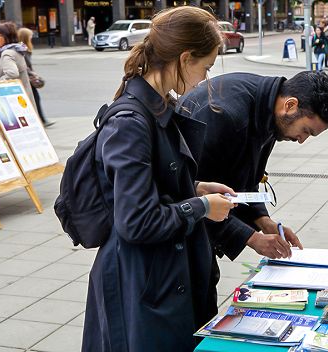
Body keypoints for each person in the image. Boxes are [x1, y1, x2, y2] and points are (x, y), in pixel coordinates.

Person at [81, 7, 236, 351]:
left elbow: (150, 183)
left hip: (159, 278)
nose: (204, 79)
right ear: (184, 58)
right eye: (206, 67)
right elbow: (136, 221)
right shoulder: (131, 121)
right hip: (140, 284)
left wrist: (195, 188)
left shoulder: (157, 107)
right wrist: (200, 207)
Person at [178, 71, 328, 324]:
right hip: (176, 243)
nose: (301, 141)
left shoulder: (270, 110)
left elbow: (248, 177)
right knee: (189, 318)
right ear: (290, 105)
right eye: (306, 131)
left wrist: (263, 220)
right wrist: (251, 237)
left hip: (196, 243)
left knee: (202, 306)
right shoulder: (225, 115)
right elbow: (194, 198)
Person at [0, 22, 36, 112]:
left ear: (7, 37)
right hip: (21, 100)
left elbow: (12, 73)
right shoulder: (16, 50)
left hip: (12, 103)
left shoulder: (7, 53)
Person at [17, 28, 55, 128]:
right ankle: (40, 120)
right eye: (30, 36)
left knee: (34, 99)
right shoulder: (22, 50)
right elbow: (24, 66)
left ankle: (40, 120)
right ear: (25, 37)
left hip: (28, 78)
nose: (31, 38)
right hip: (25, 79)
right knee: (34, 99)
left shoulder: (25, 49)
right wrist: (33, 74)